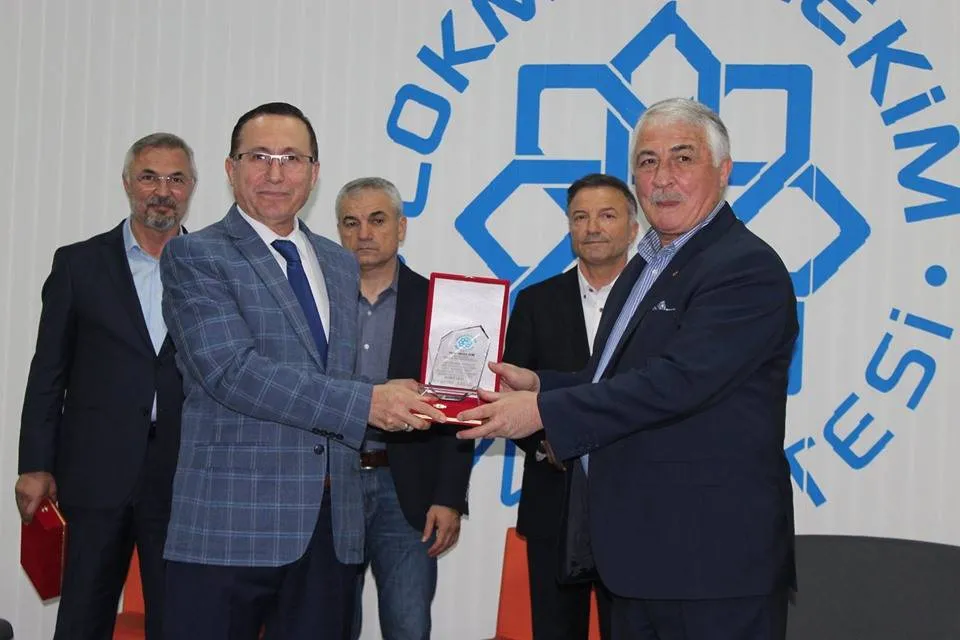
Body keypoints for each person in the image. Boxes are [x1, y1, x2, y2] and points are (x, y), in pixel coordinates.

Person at [458, 97, 798, 640]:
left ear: (723, 171)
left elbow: (678, 383)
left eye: (682, 158)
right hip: (638, 560)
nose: (662, 178)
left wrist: (543, 410)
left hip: (710, 566)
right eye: (647, 161)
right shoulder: (648, 265)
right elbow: (617, 377)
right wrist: (542, 383)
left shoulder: (744, 267)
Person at [158, 103, 445, 640]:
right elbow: (233, 373)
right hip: (230, 527)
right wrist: (370, 402)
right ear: (230, 169)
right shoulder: (195, 256)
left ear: (314, 173)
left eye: (291, 158)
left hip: (330, 528)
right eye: (259, 157)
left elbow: (336, 376)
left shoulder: (337, 262)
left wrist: (411, 398)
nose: (275, 173)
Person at [16, 132, 196, 639]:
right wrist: (35, 464)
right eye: (149, 177)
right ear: (127, 183)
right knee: (83, 619)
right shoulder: (79, 264)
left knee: (179, 621)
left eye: (176, 179)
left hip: (183, 475)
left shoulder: (212, 267)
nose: (162, 191)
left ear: (191, 188)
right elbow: (48, 371)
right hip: (94, 473)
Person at [335, 177, 474, 640]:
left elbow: (458, 410)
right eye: (351, 223)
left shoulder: (440, 305)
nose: (363, 234)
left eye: (377, 220)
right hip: (330, 486)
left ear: (401, 227)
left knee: (408, 627)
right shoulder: (316, 304)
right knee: (327, 625)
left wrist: (449, 496)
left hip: (407, 491)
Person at [503, 173, 638, 639]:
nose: (592, 227)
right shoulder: (536, 301)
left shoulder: (658, 301)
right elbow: (512, 394)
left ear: (633, 227)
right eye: (580, 217)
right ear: (569, 228)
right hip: (554, 500)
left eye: (606, 215)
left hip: (637, 505)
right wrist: (550, 443)